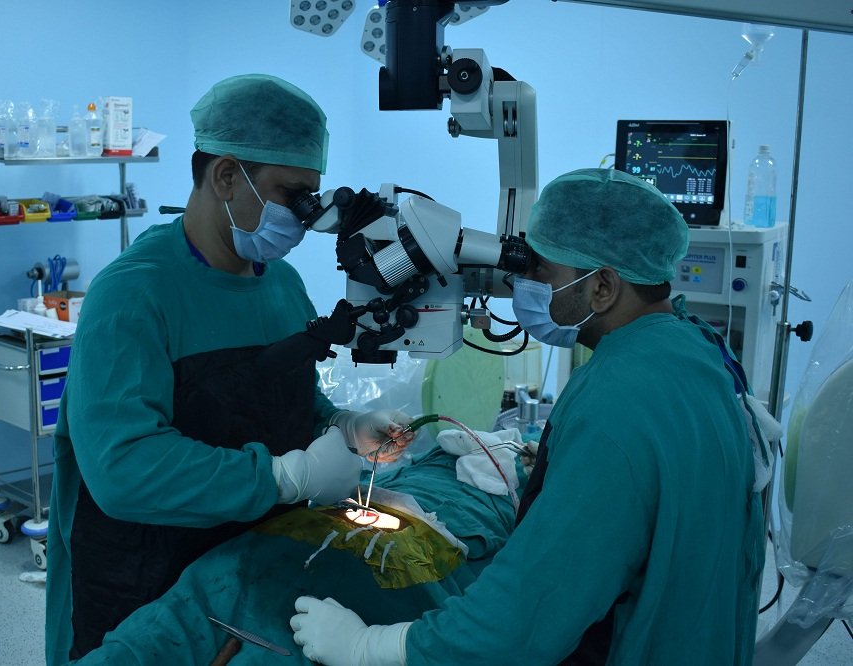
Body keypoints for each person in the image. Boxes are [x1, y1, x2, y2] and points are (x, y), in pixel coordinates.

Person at [290, 168, 766, 665]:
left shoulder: (616, 401)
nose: (526, 285)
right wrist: (572, 466)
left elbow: (520, 621)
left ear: (602, 286)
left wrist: (369, 648)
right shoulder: (693, 344)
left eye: (543, 273)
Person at [45, 73, 413, 665]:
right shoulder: (133, 294)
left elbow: (283, 401)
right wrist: (285, 478)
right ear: (224, 175)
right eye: (291, 194)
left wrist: (342, 426)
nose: (304, 215)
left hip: (249, 558)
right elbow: (124, 469)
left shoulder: (282, 285)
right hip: (145, 571)